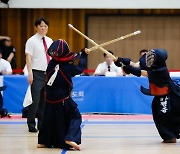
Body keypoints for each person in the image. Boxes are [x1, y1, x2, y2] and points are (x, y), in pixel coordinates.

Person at [114, 48, 180, 143]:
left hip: (167, 96)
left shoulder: (161, 70)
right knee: (157, 114)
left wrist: (128, 68)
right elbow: (138, 65)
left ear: (158, 59)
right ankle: (168, 136)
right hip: (160, 95)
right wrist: (123, 61)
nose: (149, 59)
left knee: (163, 115)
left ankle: (170, 137)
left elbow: (142, 72)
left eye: (152, 57)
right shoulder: (154, 65)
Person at [37, 39, 88, 150]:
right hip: (61, 97)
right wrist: (83, 56)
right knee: (76, 116)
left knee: (49, 118)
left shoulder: (51, 63)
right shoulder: (67, 67)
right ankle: (70, 137)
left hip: (49, 97)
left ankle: (43, 141)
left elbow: (69, 58)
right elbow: (79, 68)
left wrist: (81, 53)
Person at [25, 17, 53, 133]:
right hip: (36, 73)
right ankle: (31, 124)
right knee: (35, 100)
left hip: (48, 73)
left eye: (45, 26)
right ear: (36, 27)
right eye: (41, 26)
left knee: (45, 101)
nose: (43, 28)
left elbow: (52, 57)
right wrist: (30, 73)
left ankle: (42, 124)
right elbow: (28, 57)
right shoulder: (31, 41)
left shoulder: (50, 40)